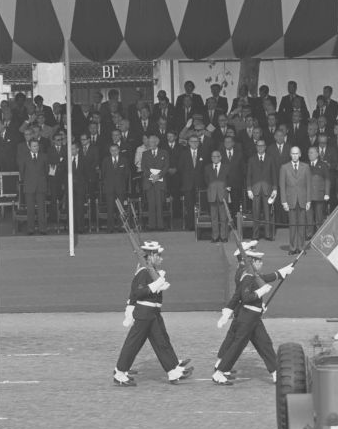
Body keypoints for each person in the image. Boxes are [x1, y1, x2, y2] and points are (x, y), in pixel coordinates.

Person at [114, 241, 193, 386]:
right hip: (144, 313)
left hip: (152, 313)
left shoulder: (151, 270)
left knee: (161, 342)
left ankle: (172, 371)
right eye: (158, 255)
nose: (161, 258)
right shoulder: (144, 271)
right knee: (133, 344)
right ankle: (119, 372)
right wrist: (155, 285)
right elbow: (137, 292)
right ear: (151, 256)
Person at [212, 249, 294, 385]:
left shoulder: (253, 274)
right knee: (238, 345)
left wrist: (283, 271)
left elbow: (266, 278)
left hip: (254, 317)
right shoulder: (248, 276)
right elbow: (245, 297)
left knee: (265, 344)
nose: (261, 263)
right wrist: (261, 292)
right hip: (247, 318)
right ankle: (219, 372)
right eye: (259, 261)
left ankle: (275, 372)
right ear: (253, 262)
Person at [279, 147, 311, 255]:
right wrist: (284, 201)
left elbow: (309, 185)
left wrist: (308, 201)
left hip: (302, 199)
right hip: (290, 200)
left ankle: (301, 247)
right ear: (290, 154)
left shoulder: (306, 167)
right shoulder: (284, 167)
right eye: (293, 153)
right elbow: (282, 186)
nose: (295, 155)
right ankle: (292, 248)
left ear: (300, 154)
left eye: (297, 153)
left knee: (302, 225)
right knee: (292, 225)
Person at [247, 139, 277, 241]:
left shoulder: (270, 158)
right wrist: (249, 189)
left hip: (267, 189)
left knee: (267, 213)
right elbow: (248, 176)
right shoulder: (251, 159)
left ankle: (268, 234)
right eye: (258, 146)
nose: (260, 147)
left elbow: (274, 174)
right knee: (255, 212)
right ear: (256, 147)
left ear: (265, 147)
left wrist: (275, 189)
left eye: (262, 146)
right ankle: (255, 235)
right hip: (255, 190)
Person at [19, 138, 48, 235]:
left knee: (41, 209)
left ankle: (42, 229)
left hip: (41, 186)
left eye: (37, 146)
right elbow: (22, 172)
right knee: (30, 209)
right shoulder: (24, 157)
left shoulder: (44, 156)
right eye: (34, 146)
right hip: (29, 186)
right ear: (29, 146)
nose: (36, 148)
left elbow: (47, 171)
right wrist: (28, 180)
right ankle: (30, 229)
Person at [141, 134, 169, 231]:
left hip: (160, 182)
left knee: (160, 204)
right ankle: (151, 225)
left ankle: (161, 225)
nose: (150, 144)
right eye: (149, 142)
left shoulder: (164, 153)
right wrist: (152, 176)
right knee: (151, 204)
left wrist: (158, 176)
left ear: (157, 142)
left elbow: (166, 166)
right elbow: (143, 167)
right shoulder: (145, 153)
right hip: (149, 182)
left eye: (152, 142)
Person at [101, 144, 129, 233]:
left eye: (115, 150)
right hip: (109, 188)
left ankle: (121, 227)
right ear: (110, 151)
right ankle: (110, 227)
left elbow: (127, 173)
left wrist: (121, 183)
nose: (114, 152)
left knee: (120, 208)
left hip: (120, 187)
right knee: (110, 208)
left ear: (119, 150)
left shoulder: (124, 160)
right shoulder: (106, 160)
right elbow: (103, 174)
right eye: (112, 150)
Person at [204, 150, 230, 243]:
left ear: (220, 157)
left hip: (223, 194)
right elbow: (206, 180)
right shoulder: (207, 168)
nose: (214, 158)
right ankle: (215, 236)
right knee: (214, 217)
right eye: (212, 157)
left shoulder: (226, 167)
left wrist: (227, 188)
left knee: (223, 217)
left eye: (216, 156)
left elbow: (229, 179)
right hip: (212, 195)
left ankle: (223, 236)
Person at [306, 146, 330, 237]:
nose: (309, 154)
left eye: (311, 152)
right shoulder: (305, 165)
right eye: (308, 152)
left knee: (319, 216)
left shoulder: (323, 165)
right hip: (308, 195)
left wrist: (327, 193)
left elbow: (327, 179)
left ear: (317, 154)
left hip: (319, 194)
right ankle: (309, 234)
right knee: (308, 216)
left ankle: (319, 235)